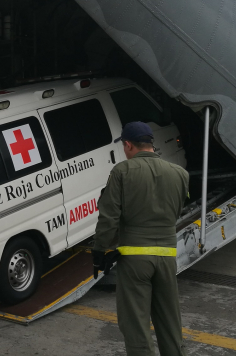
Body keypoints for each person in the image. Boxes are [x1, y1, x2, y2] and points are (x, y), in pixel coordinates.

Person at [93, 122, 189, 356]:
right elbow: (177, 211)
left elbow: (109, 217)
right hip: (167, 257)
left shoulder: (122, 172)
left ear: (128, 145)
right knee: (169, 322)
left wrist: (99, 252)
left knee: (136, 324)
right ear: (150, 144)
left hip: (135, 259)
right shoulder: (180, 173)